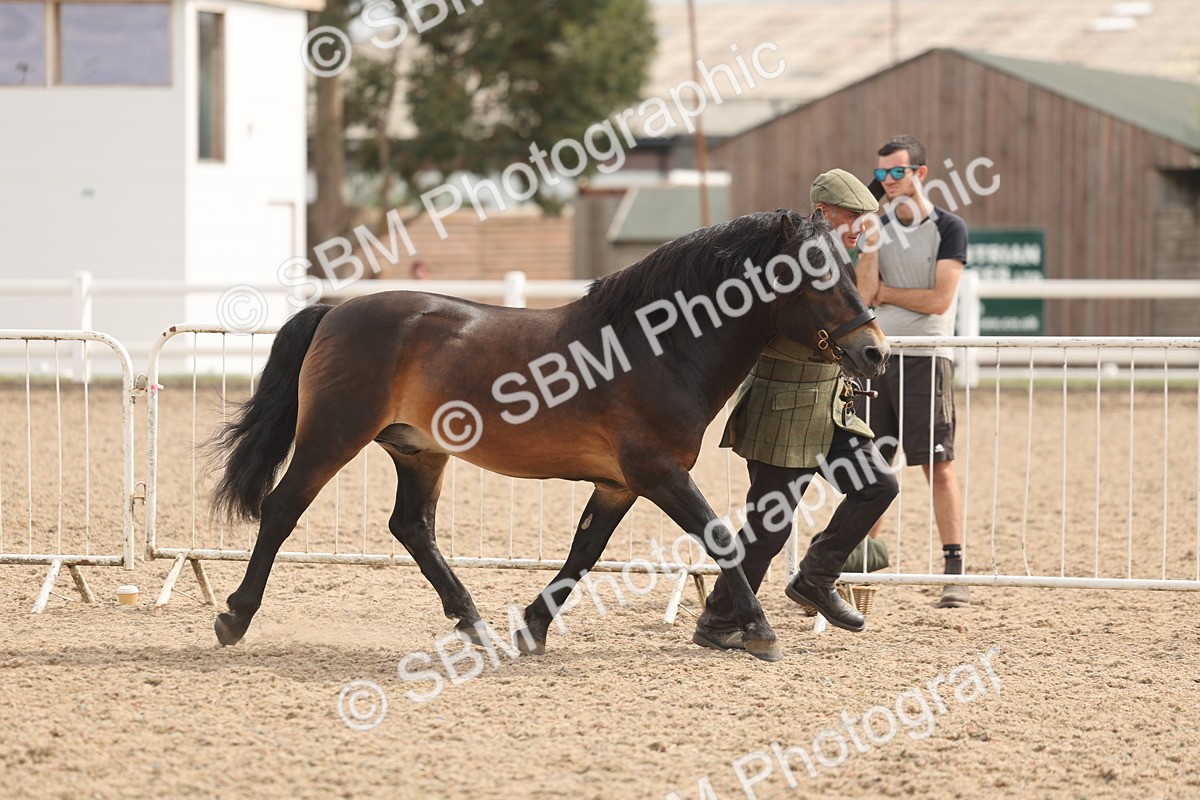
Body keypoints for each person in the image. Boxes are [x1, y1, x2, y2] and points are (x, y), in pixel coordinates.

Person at [692, 169, 900, 657]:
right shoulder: (786, 261)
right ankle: (719, 621)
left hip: (829, 409)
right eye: (852, 218)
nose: (859, 227)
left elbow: (855, 311)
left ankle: (815, 578)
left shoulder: (836, 259)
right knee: (770, 523)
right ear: (824, 212)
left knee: (878, 485)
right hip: (783, 407)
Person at [855, 135, 969, 608]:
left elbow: (939, 301)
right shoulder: (875, 227)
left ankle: (955, 570)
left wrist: (887, 294)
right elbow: (863, 294)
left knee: (937, 466)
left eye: (896, 172)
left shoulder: (949, 226)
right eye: (882, 173)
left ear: (920, 174)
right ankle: (858, 561)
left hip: (927, 359)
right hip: (878, 360)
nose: (887, 181)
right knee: (874, 465)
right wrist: (869, 249)